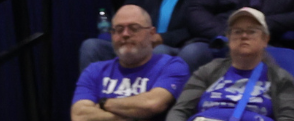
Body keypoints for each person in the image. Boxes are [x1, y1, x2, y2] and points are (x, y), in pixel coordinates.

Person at [33, 5, 191, 121]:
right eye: (118, 30)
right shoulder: (95, 70)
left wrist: (103, 104)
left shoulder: (171, 65)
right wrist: (139, 113)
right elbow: (79, 118)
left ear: (152, 33)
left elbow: (153, 103)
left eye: (134, 28)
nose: (125, 34)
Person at [166, 9, 294, 121]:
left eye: (251, 31)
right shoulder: (209, 71)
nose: (244, 36)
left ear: (265, 39)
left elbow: (290, 119)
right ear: (228, 38)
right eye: (237, 32)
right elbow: (180, 109)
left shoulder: (280, 77)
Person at [82, 2, 214, 72]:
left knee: (159, 51)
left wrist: (163, 38)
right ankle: (92, 105)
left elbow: (199, 28)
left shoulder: (196, 3)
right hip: (137, 40)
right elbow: (126, 13)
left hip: (177, 45)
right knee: (92, 46)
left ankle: (147, 109)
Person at [184, 0, 294, 53]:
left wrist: (259, 24)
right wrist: (227, 34)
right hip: (219, 37)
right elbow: (196, 8)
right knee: (192, 53)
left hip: (268, 41)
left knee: (281, 61)